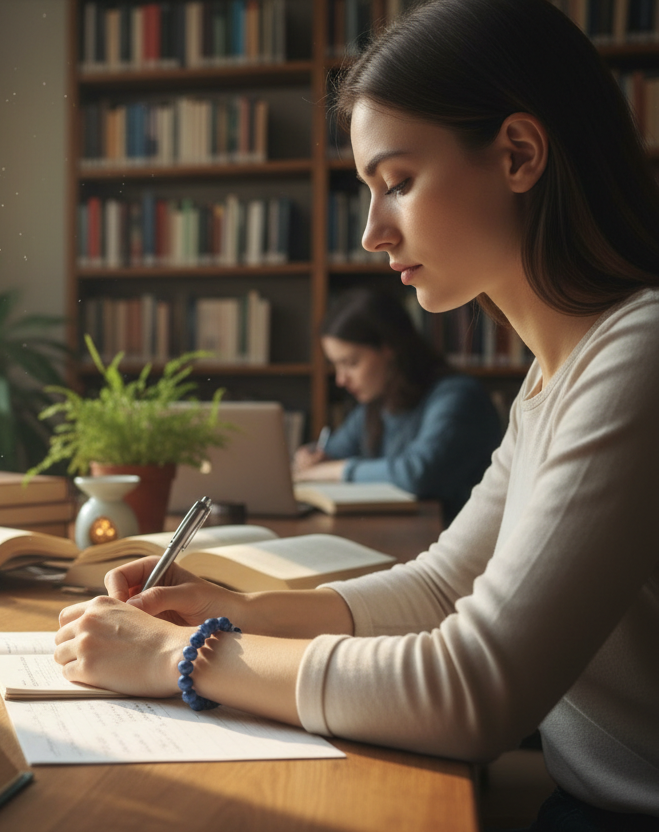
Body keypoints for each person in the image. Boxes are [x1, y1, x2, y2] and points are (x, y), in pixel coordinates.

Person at [53, 1, 659, 828]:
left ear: (519, 154)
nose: (374, 233)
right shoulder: (554, 380)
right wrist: (231, 609)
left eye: (399, 183)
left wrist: (181, 655)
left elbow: (473, 690)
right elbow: (448, 585)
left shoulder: (639, 357)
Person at [292, 287, 502, 523]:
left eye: (350, 363)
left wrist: (329, 471)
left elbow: (417, 474)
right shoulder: (376, 402)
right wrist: (311, 457)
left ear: (388, 348)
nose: (341, 379)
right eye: (336, 366)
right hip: (409, 535)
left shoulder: (458, 396)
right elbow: (333, 452)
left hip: (462, 548)